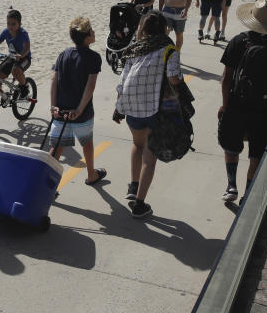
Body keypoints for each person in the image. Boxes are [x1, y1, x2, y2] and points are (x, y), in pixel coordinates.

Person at [218, 0, 267, 202]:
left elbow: (226, 78)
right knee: (257, 153)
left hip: (237, 104)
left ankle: (231, 186)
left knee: (231, 147)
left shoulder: (239, 41)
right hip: (266, 108)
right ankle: (248, 194)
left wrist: (225, 105)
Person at [112, 11, 182, 218]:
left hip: (130, 104)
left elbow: (123, 80)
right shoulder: (169, 49)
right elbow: (174, 78)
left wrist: (119, 106)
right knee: (151, 155)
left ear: (142, 29)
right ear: (164, 29)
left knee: (137, 144)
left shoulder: (136, 49)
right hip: (153, 108)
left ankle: (133, 187)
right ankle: (140, 204)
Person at [49, 17, 105, 186]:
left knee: (56, 149)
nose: (94, 33)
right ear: (87, 37)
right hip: (81, 114)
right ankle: (91, 174)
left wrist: (53, 105)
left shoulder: (63, 54)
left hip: (61, 111)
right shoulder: (94, 58)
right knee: (87, 144)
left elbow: (54, 81)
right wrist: (80, 109)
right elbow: (90, 87)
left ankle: (46, 183)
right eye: (92, 31)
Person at [0, 9, 32, 101]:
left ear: (19, 24)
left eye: (13, 24)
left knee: (15, 71)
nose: (10, 26)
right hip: (12, 57)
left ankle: (24, 88)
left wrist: (21, 55)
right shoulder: (6, 32)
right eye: (8, 23)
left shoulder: (23, 34)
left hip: (25, 58)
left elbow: (27, 48)